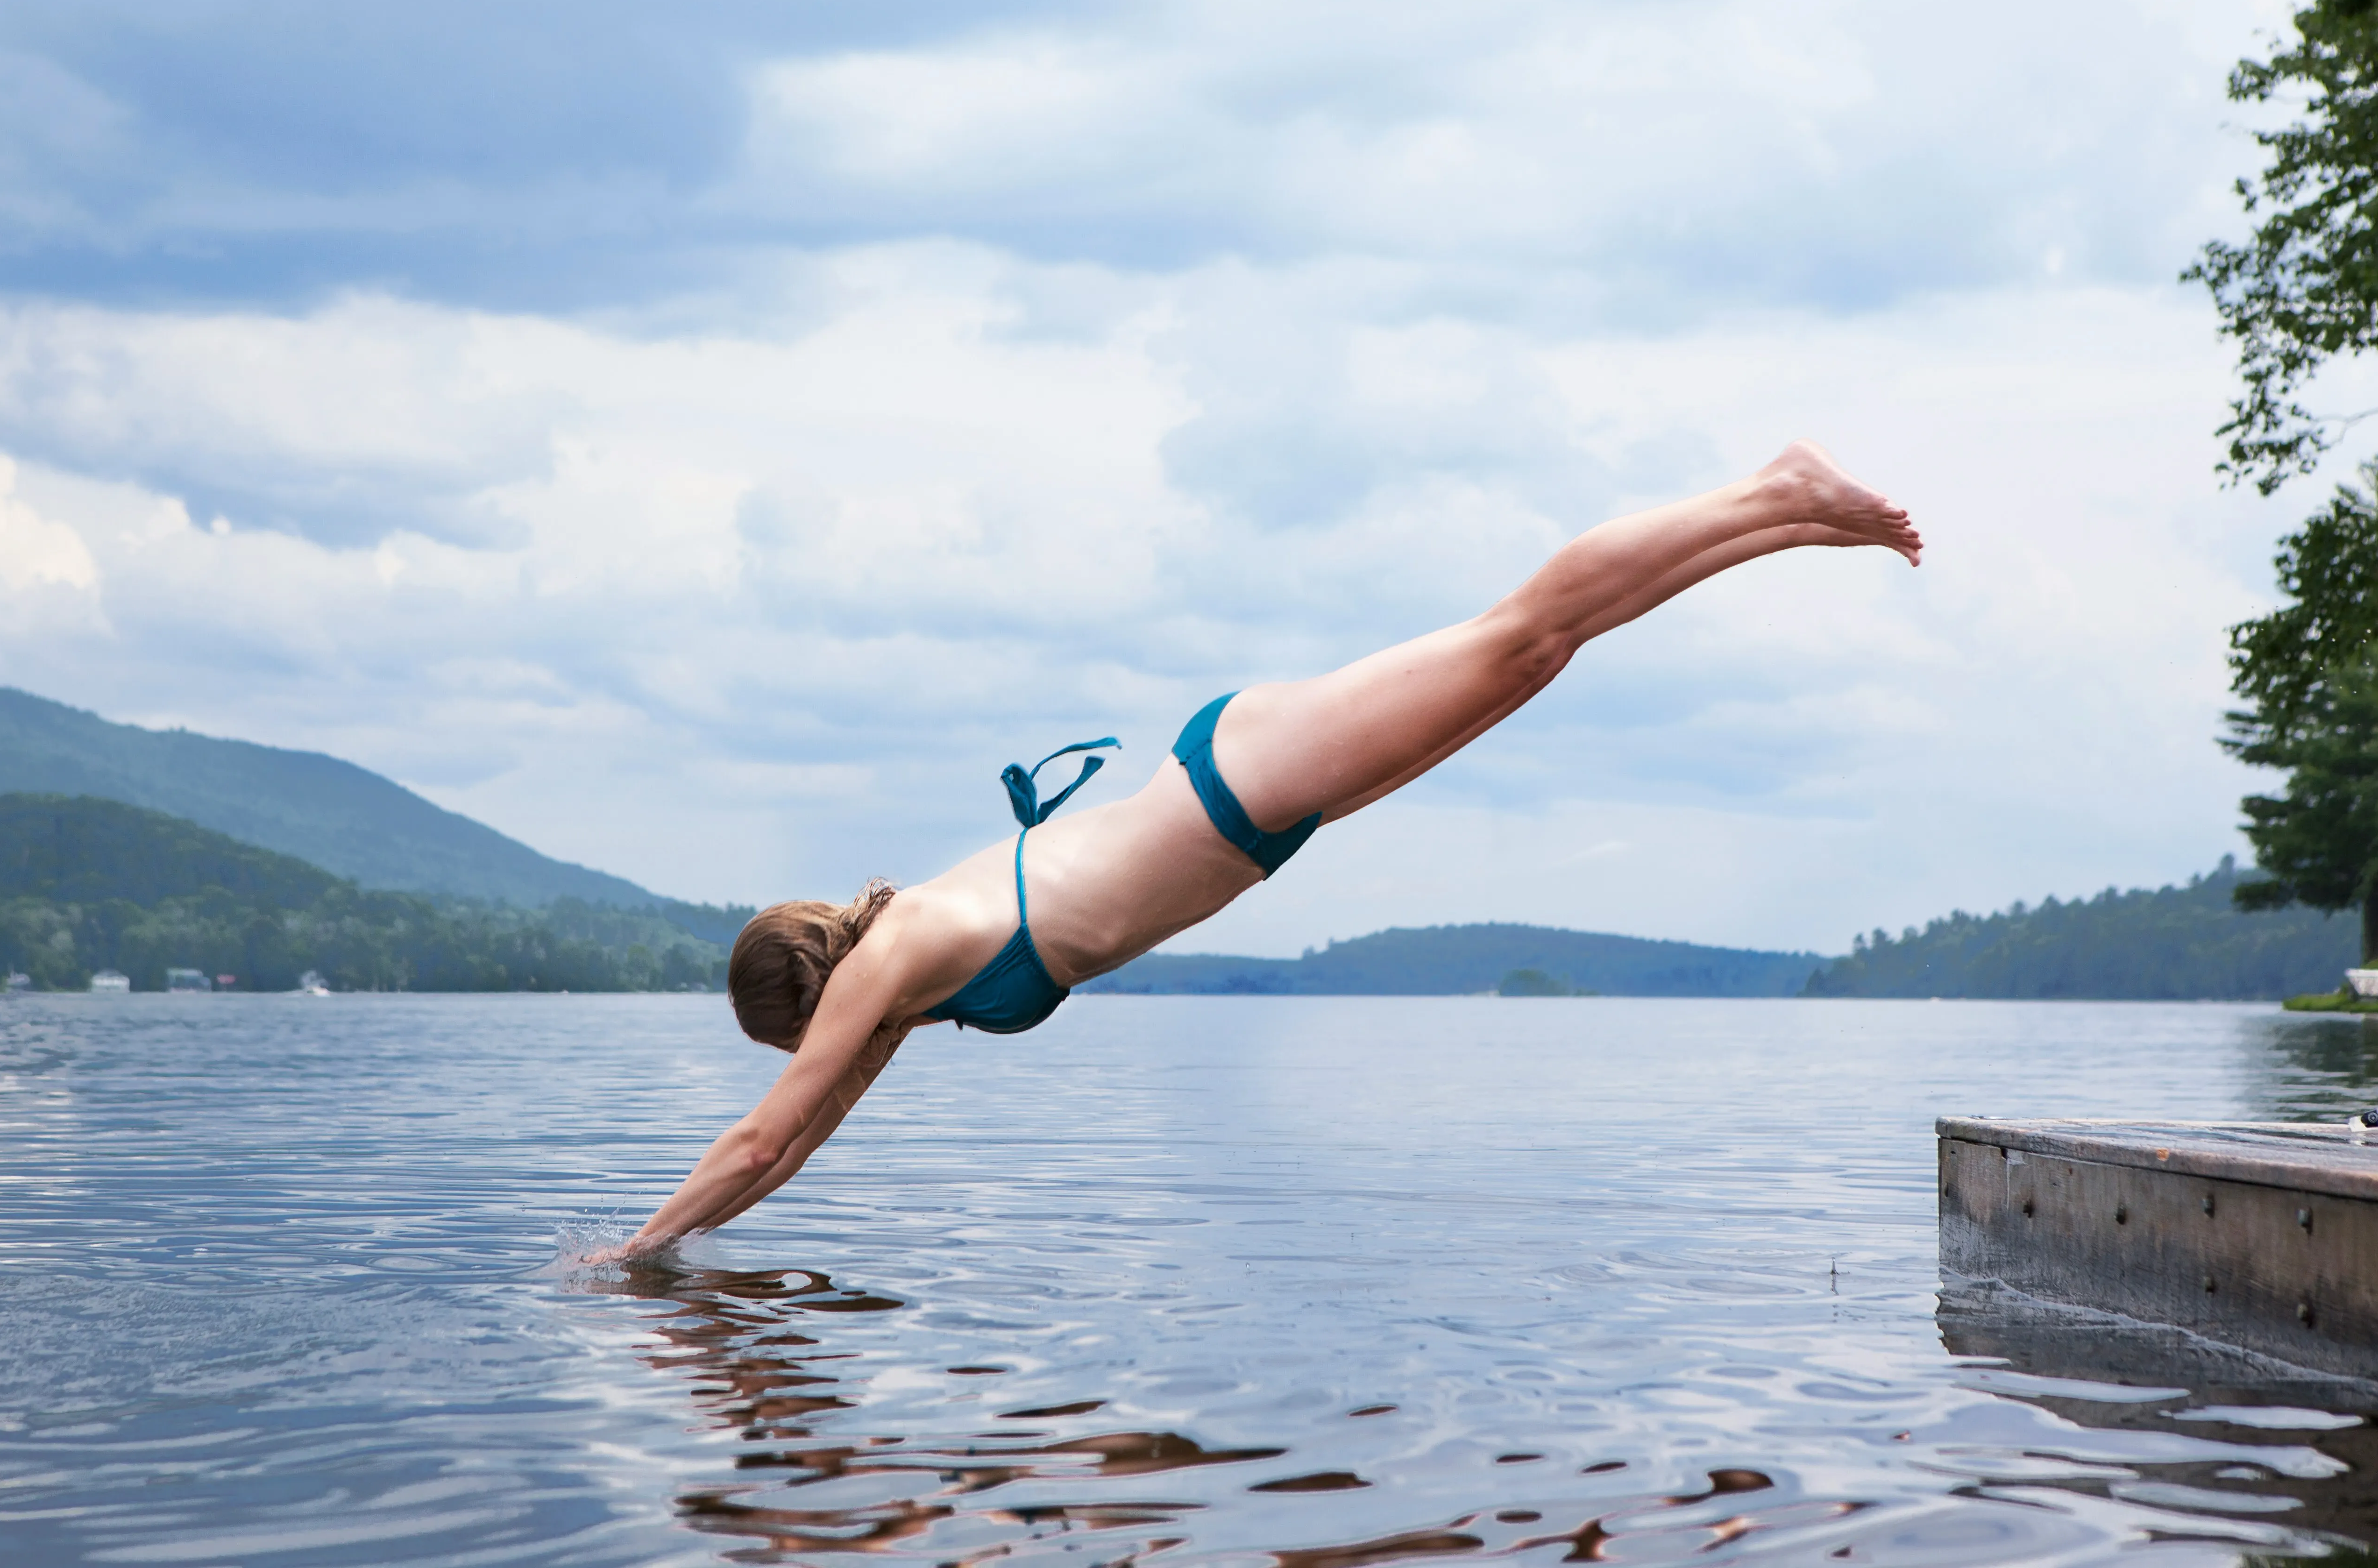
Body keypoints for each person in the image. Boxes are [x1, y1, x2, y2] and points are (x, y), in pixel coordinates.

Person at [602, 440, 1920, 1259]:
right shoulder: (896, 983)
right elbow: (807, 1134)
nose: (814, 1064)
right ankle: (1790, 520)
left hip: (1239, 782)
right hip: (1260, 813)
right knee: (1539, 660)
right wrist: (673, 1256)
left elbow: (763, 1141)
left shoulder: (896, 957)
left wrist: (624, 1255)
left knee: (1519, 633)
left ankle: (1777, 492)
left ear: (810, 1001)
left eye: (798, 1041)